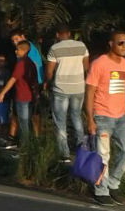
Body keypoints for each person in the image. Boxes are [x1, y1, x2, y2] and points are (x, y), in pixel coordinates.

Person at [85, 30, 125, 206]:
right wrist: (90, 118)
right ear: (111, 44)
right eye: (120, 43)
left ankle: (113, 183)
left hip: (121, 116)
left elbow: (124, 89)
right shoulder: (99, 63)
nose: (124, 46)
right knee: (103, 155)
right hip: (102, 115)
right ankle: (101, 189)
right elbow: (89, 91)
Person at [45, 25, 89, 163]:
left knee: (60, 121)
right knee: (76, 117)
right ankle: (82, 148)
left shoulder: (54, 49)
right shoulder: (82, 46)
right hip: (78, 87)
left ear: (58, 35)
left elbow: (49, 71)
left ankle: (64, 154)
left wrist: (48, 82)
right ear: (69, 34)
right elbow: (86, 66)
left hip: (61, 89)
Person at [0, 40, 39, 143]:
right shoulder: (31, 63)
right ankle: (26, 146)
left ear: (24, 50)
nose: (16, 52)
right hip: (28, 96)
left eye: (18, 49)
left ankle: (26, 148)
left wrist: (2, 93)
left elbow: (13, 79)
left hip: (23, 96)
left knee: (24, 123)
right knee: (25, 122)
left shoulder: (22, 63)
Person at [10, 29, 44, 137]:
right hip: (32, 83)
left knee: (29, 113)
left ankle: (28, 139)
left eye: (17, 39)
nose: (15, 42)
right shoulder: (27, 49)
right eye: (13, 41)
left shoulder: (26, 49)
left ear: (23, 36)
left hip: (32, 84)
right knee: (30, 113)